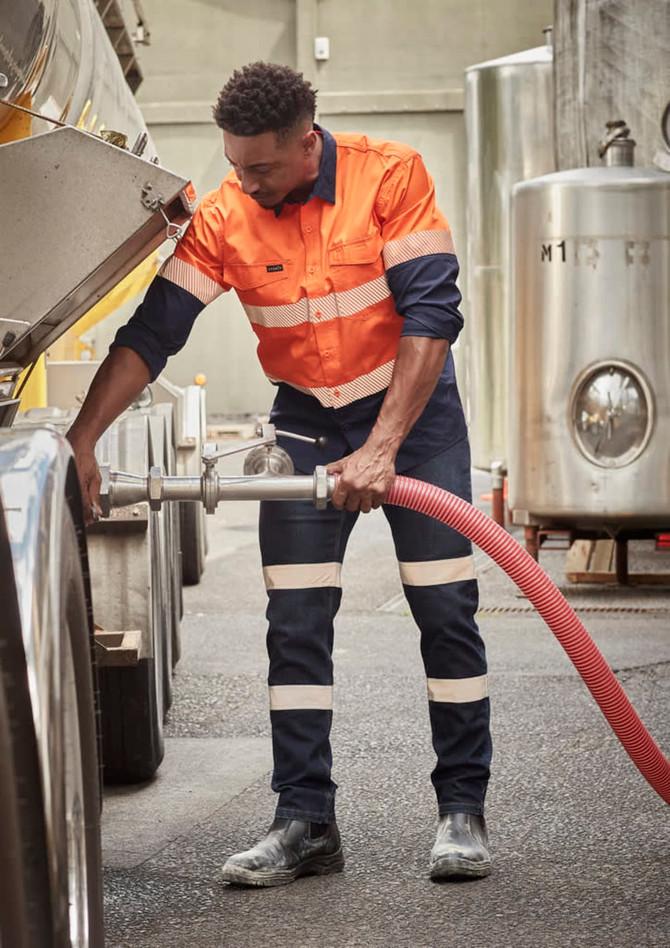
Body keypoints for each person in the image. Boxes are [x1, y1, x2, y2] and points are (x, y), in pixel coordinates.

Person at [67, 61, 492, 887]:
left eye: (259, 166)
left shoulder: (390, 176)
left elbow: (434, 314)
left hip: (415, 415)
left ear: (308, 143)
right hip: (306, 420)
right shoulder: (228, 214)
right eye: (234, 164)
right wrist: (85, 438)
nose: (243, 181)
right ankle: (305, 821)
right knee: (296, 625)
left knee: (445, 608)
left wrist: (383, 448)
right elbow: (153, 332)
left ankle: (462, 812)